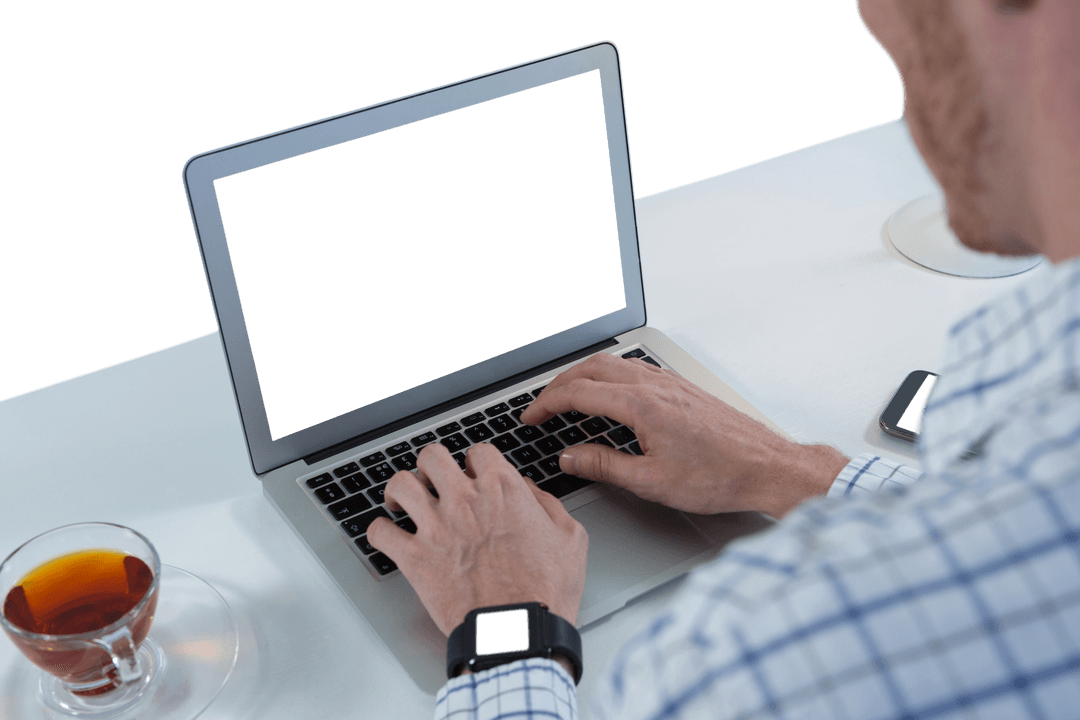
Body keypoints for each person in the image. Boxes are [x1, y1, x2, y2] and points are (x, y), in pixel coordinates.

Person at [368, 0, 1080, 716]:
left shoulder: (755, 667)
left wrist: (508, 634)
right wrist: (794, 471)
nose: (877, 21)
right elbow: (996, 540)